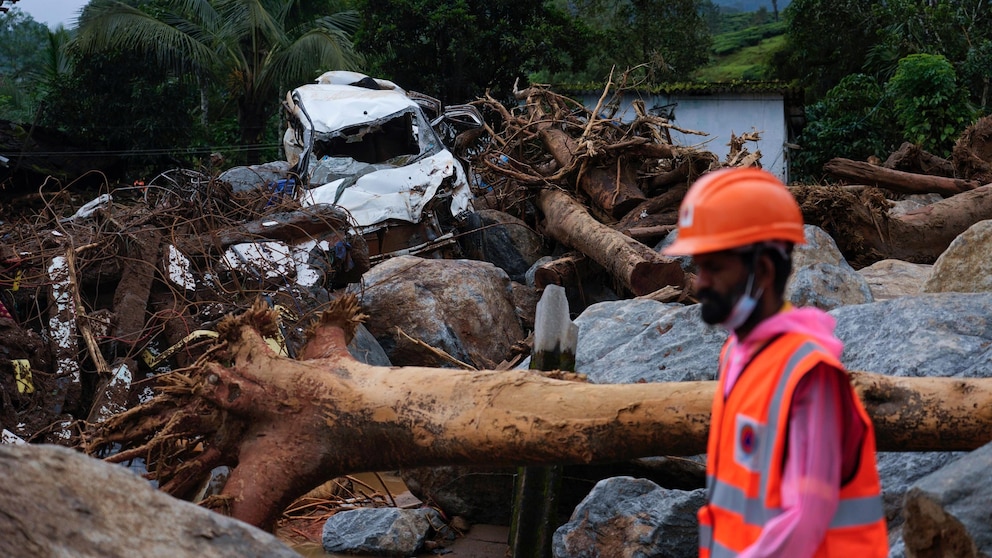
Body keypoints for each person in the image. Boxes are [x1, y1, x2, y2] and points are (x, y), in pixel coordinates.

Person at [662, 167, 888, 558]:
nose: (700, 283)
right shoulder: (737, 352)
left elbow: (804, 522)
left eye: (714, 267)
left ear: (763, 271)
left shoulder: (810, 374)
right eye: (699, 267)